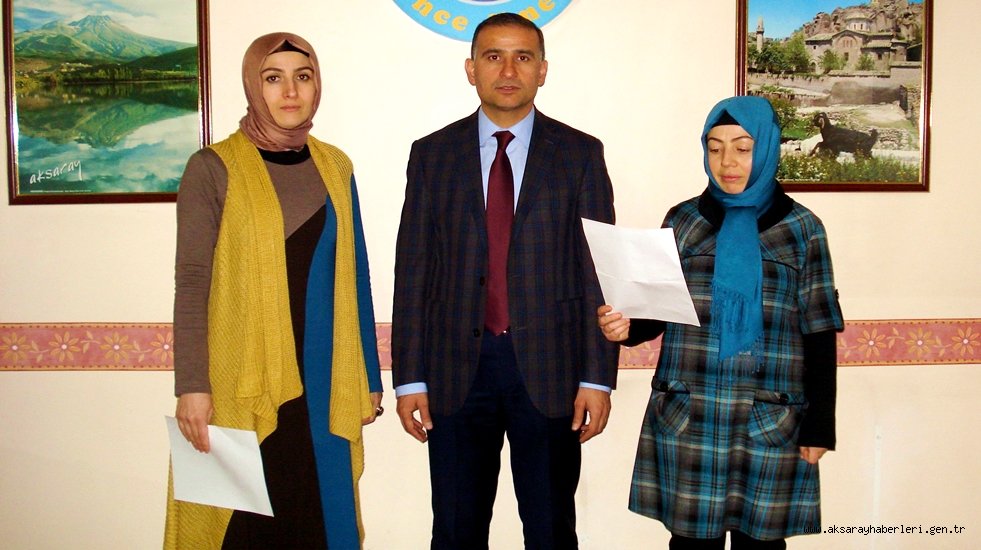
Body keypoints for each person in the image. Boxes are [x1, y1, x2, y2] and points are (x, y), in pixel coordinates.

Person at [391, 13, 619, 550]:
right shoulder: (432, 155)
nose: (509, 70)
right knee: (455, 530)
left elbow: (598, 271)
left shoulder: (580, 154)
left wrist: (598, 378)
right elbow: (414, 269)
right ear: (471, 69)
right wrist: (409, 379)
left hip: (552, 373)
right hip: (454, 374)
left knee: (550, 530)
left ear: (543, 70)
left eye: (523, 57)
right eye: (494, 56)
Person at [164, 32, 382, 550]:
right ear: (252, 85)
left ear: (316, 86)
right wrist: (192, 386)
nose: (290, 91)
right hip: (239, 384)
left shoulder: (336, 167)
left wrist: (369, 377)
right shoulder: (212, 167)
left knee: (317, 523)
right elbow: (191, 281)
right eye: (273, 77)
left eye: (302, 77)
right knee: (238, 528)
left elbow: (357, 275)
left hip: (324, 382)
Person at [598, 96, 843, 549]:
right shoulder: (684, 221)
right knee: (691, 543)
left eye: (743, 148)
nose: (727, 161)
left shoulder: (803, 229)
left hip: (768, 418)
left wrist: (819, 425)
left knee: (762, 543)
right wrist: (626, 329)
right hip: (692, 415)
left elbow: (820, 331)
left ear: (767, 148)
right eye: (715, 148)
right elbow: (657, 312)